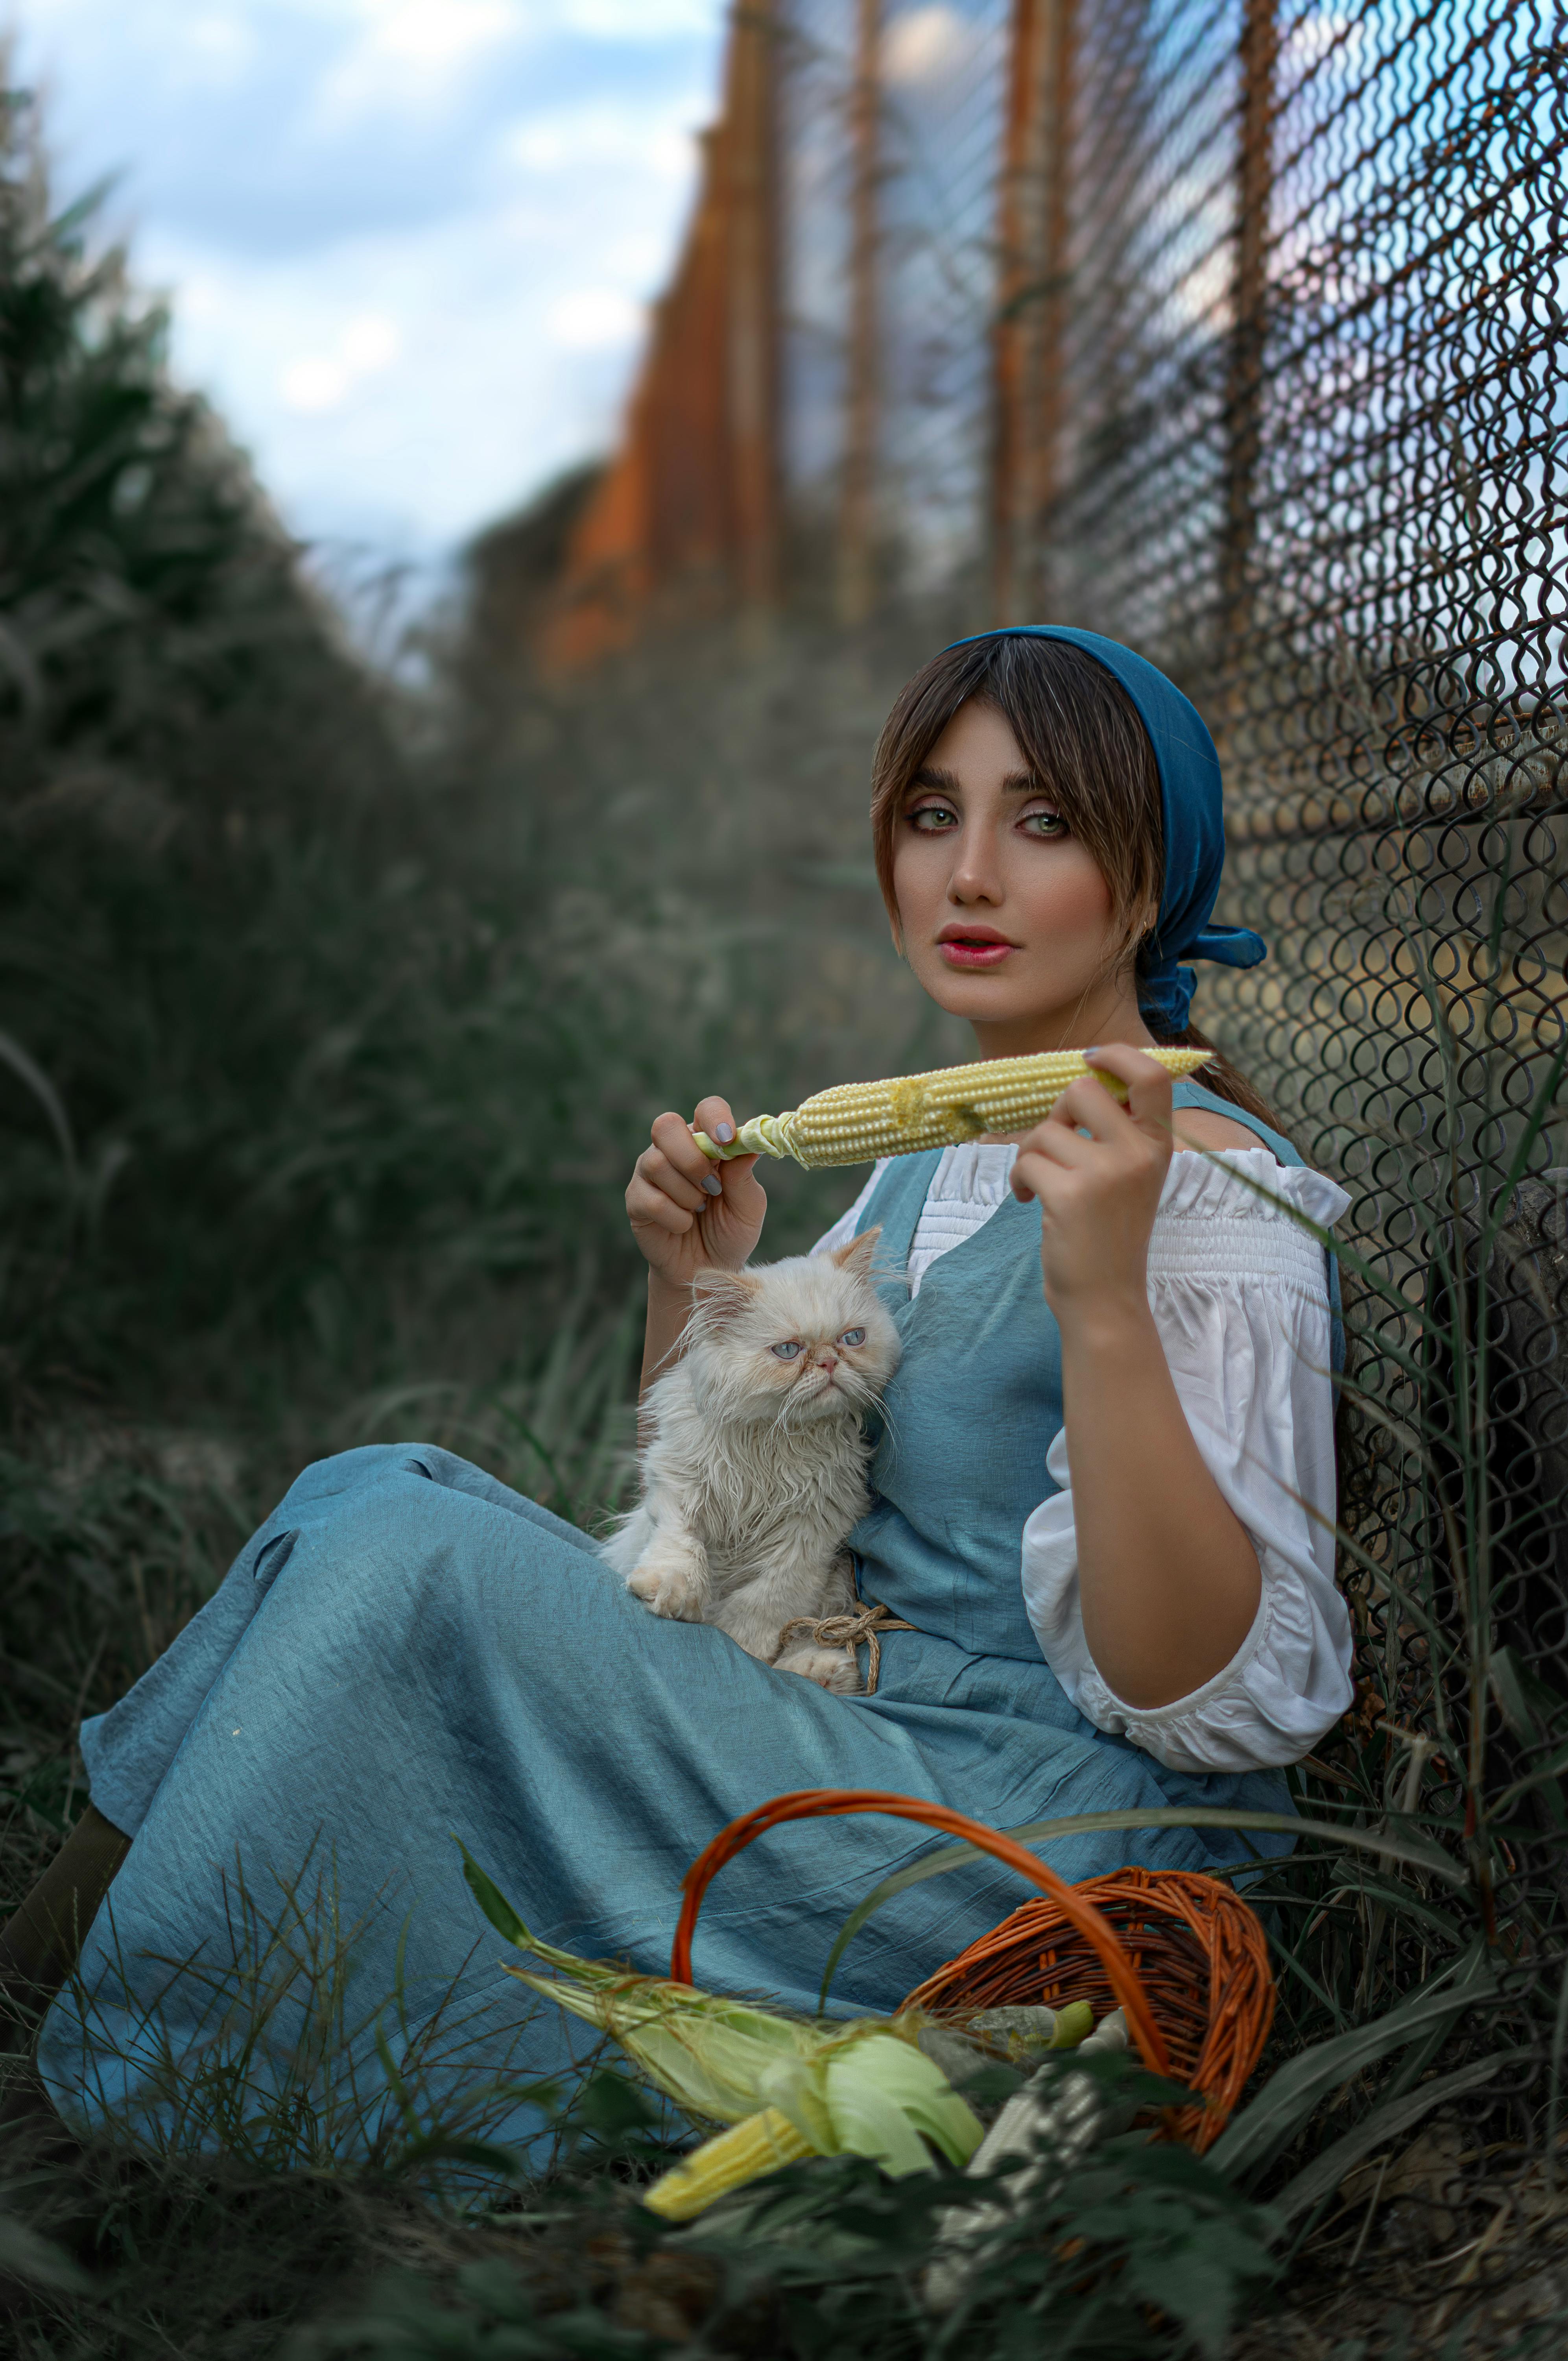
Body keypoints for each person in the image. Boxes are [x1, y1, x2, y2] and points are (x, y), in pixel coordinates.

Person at [4, 627, 1353, 2165]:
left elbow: (1214, 1701)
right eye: (930, 812)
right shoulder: (913, 1174)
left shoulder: (1212, 1194)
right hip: (847, 1713)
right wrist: (694, 1280)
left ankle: (116, 2054)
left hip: (1038, 1845)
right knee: (371, 1488)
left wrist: (1103, 1302)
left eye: (1041, 821)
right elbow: (723, 1538)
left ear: (1152, 865)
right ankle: (49, 1981)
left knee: (404, 1559)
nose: (968, 873)